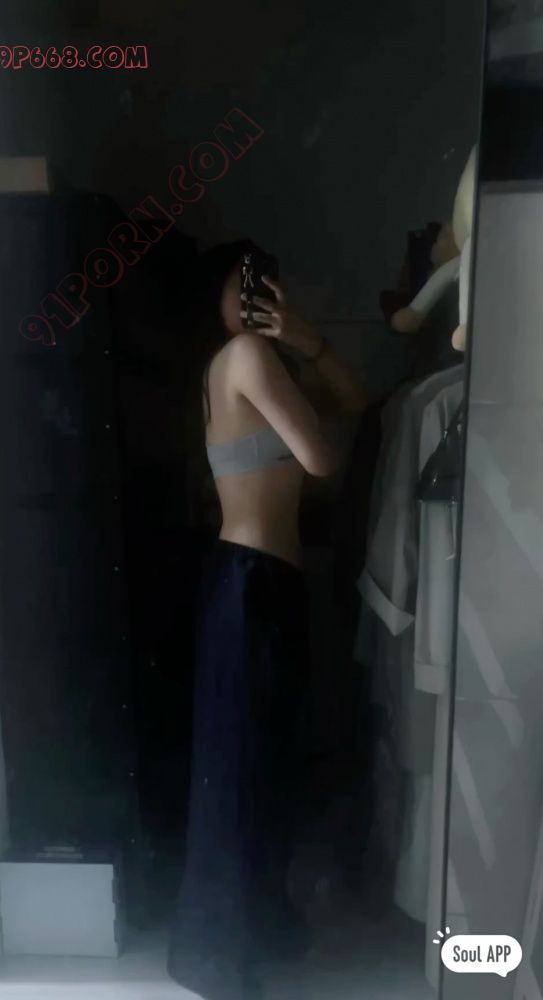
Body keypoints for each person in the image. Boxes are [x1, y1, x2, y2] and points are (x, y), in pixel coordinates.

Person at [168, 240, 367, 1000]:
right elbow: (320, 459)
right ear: (215, 297)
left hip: (265, 582)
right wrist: (291, 348)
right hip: (249, 583)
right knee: (241, 771)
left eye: (266, 284)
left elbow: (358, 404)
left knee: (266, 765)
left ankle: (257, 929)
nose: (255, 297)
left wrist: (309, 340)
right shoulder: (244, 357)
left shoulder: (266, 360)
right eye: (242, 284)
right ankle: (219, 958)